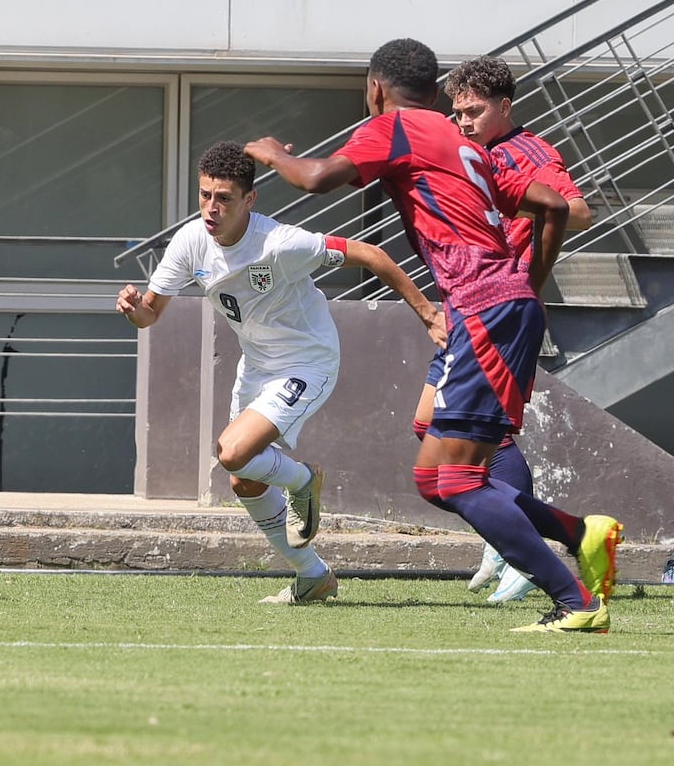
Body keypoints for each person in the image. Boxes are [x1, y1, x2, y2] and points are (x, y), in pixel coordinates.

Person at [245, 38, 620, 633]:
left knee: (460, 479)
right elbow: (550, 205)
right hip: (493, 307)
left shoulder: (397, 128)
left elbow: (316, 178)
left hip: (484, 309)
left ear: (375, 88)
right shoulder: (461, 141)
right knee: (434, 477)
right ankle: (579, 534)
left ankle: (575, 602)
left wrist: (270, 154)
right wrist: (526, 285)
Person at [117, 140, 446, 604]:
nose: (211, 208)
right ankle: (313, 575)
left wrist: (428, 314)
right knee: (243, 478)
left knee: (233, 452)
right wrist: (133, 309)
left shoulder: (281, 243)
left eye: (224, 198)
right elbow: (150, 314)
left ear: (249, 199)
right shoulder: (191, 241)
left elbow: (373, 254)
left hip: (307, 362)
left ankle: (304, 481)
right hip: (256, 366)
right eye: (205, 195)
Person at [416, 55, 619, 603]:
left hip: (500, 312)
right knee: (427, 428)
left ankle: (518, 547)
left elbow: (576, 210)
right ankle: (516, 530)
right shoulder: (470, 153)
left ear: (505, 107)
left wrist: (521, 228)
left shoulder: (526, 151)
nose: (464, 122)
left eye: (475, 111)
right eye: (458, 113)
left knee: (482, 444)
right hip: (467, 307)